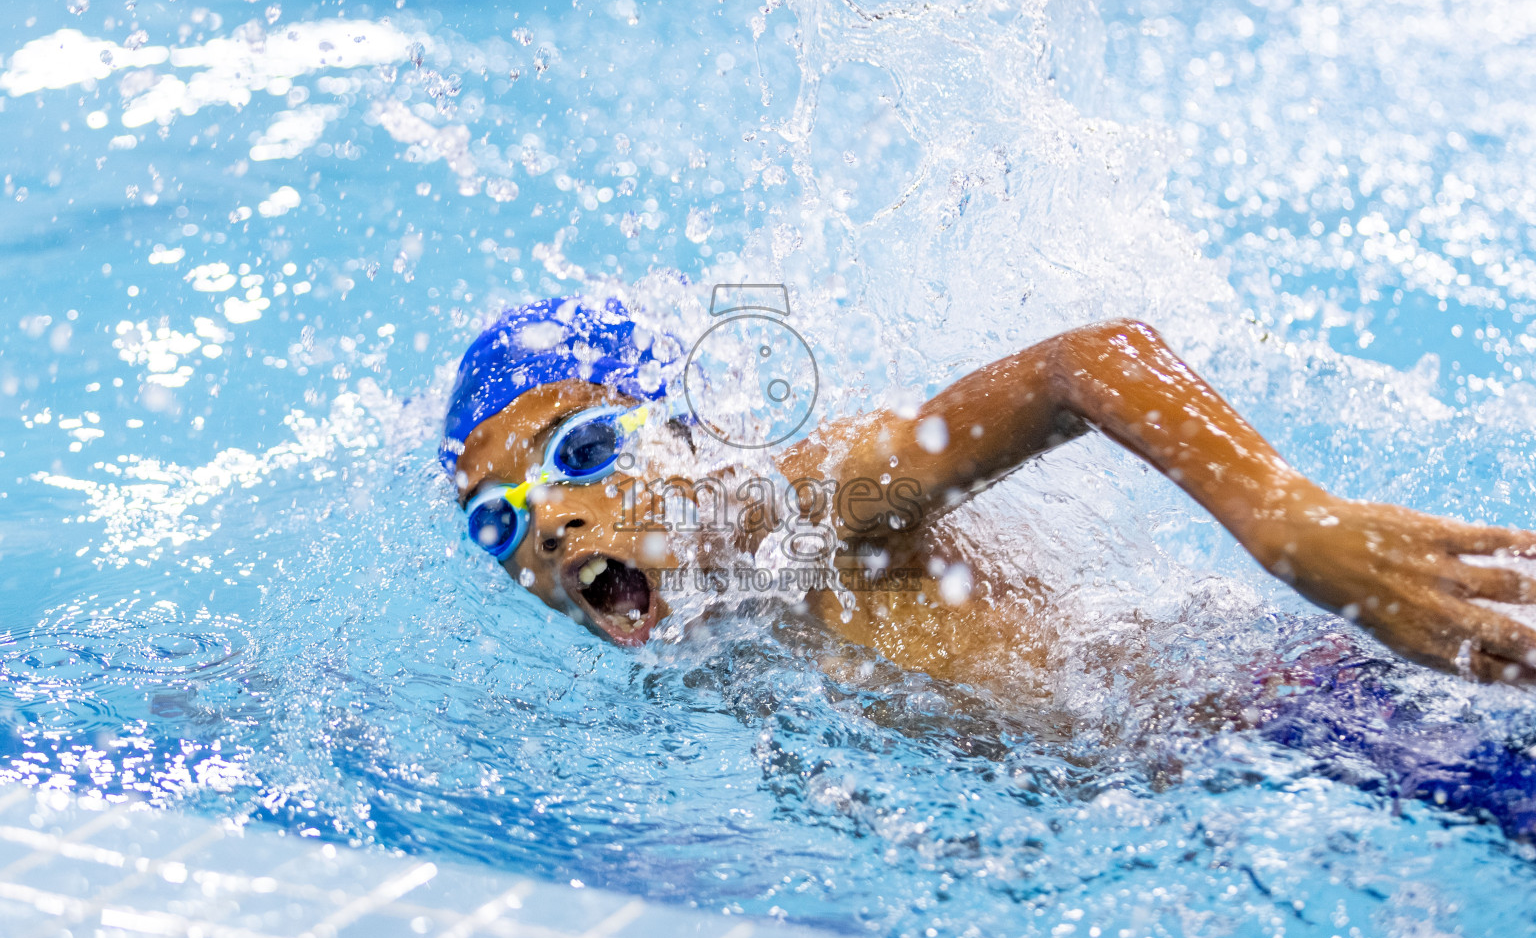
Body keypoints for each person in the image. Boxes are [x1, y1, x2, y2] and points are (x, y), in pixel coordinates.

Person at [441, 296, 1536, 693]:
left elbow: (1090, 362)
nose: (547, 523)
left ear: (687, 433)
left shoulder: (786, 507)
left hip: (1311, 718)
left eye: (580, 450)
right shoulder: (711, 633)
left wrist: (1291, 518)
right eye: (498, 520)